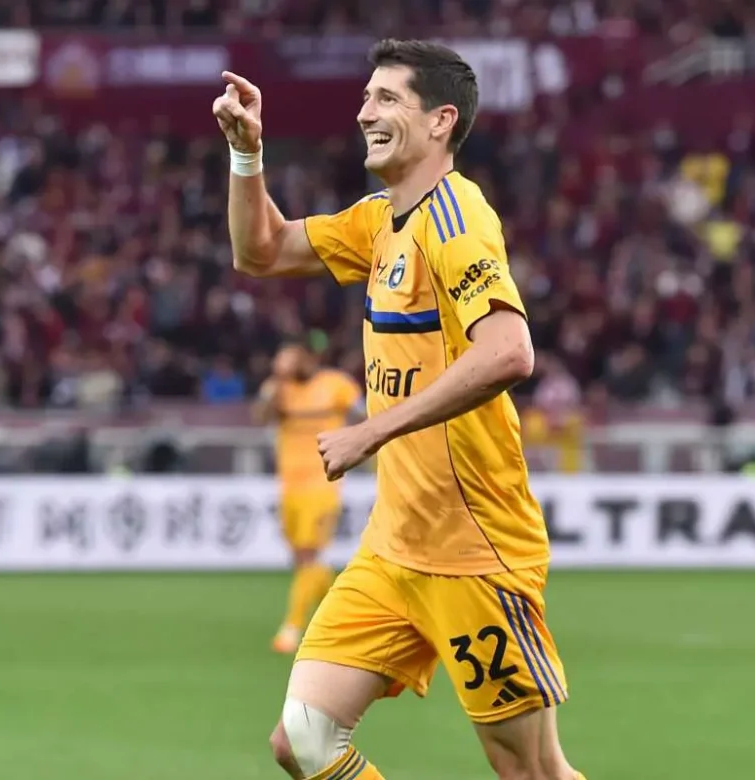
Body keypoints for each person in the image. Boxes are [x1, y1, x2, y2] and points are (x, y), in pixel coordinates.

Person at [215, 38, 586, 780]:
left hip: (474, 551)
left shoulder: (457, 221)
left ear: (441, 121)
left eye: (387, 98)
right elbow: (262, 251)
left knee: (532, 772)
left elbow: (510, 352)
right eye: (366, 97)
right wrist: (247, 154)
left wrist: (373, 430)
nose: (364, 112)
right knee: (303, 741)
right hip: (393, 549)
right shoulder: (381, 220)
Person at [255, 341, 364, 654]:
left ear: (306, 359)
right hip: (289, 486)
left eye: (290, 360)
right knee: (303, 560)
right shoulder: (278, 390)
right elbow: (261, 418)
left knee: (309, 554)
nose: (285, 366)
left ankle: (291, 628)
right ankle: (343, 616)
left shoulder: (337, 386)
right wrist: (274, 387)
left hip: (324, 483)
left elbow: (365, 415)